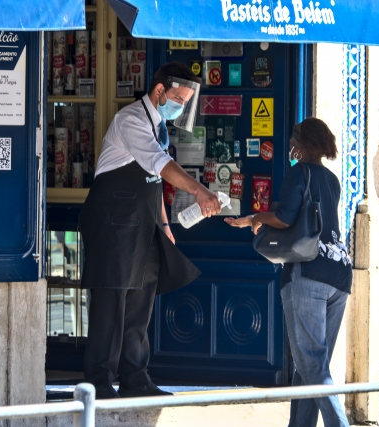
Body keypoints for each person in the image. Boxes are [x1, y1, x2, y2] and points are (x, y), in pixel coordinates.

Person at [79, 62, 221, 399]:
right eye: (178, 99)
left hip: (144, 225)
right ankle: (99, 384)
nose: (180, 107)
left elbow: (153, 181)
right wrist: (199, 190)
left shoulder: (159, 127)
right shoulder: (130, 120)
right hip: (112, 226)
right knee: (110, 305)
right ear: (159, 91)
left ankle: (135, 379)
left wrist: (165, 224)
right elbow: (161, 165)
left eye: (185, 103)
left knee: (139, 306)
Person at [225, 117, 352, 427]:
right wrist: (257, 218)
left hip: (307, 274)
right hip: (339, 274)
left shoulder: (299, 172)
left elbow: (284, 218)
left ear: (303, 144)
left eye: (294, 138)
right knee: (310, 365)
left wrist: (256, 218)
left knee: (312, 365)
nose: (290, 143)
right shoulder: (333, 180)